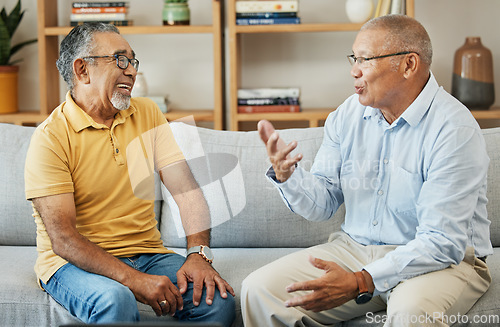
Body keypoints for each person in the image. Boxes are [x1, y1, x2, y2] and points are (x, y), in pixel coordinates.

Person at [242, 14, 492, 327]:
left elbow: (442, 241)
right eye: (354, 58)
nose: (353, 70)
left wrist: (362, 280)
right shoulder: (347, 115)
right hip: (355, 250)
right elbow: (322, 204)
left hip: (442, 261)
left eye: (365, 59)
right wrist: (288, 176)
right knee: (259, 290)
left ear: (408, 64)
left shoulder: (453, 128)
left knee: (410, 314)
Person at [24, 23, 235, 326]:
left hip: (148, 253)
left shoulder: (147, 113)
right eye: (120, 60)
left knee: (218, 301)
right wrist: (134, 280)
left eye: (133, 62)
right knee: (116, 300)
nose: (132, 72)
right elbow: (64, 239)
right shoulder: (51, 137)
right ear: (83, 70)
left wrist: (198, 255)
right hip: (70, 264)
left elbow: (186, 190)